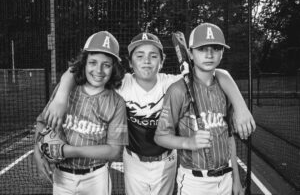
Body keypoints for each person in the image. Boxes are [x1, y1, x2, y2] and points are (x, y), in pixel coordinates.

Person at [43, 32, 255, 195]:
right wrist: (61, 97)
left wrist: (240, 105)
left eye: (153, 56)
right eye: (140, 55)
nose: (146, 61)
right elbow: (75, 70)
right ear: (129, 62)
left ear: (161, 62)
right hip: (134, 161)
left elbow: (219, 72)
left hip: (167, 160)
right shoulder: (121, 83)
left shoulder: (173, 83)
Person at [154, 23, 246, 195]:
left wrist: (236, 180)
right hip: (194, 182)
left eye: (216, 48)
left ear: (222, 53)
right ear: (190, 53)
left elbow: (229, 137)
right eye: (202, 49)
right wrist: (188, 142)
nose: (210, 54)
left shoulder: (226, 89)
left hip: (225, 179)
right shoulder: (177, 90)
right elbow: (160, 137)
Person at [34, 31, 128, 195]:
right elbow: (42, 122)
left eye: (106, 65)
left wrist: (68, 150)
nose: (98, 70)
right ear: (84, 63)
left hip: (96, 175)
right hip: (62, 175)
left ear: (114, 69)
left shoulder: (117, 102)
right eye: (92, 62)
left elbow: (114, 151)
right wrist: (37, 152)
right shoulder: (66, 90)